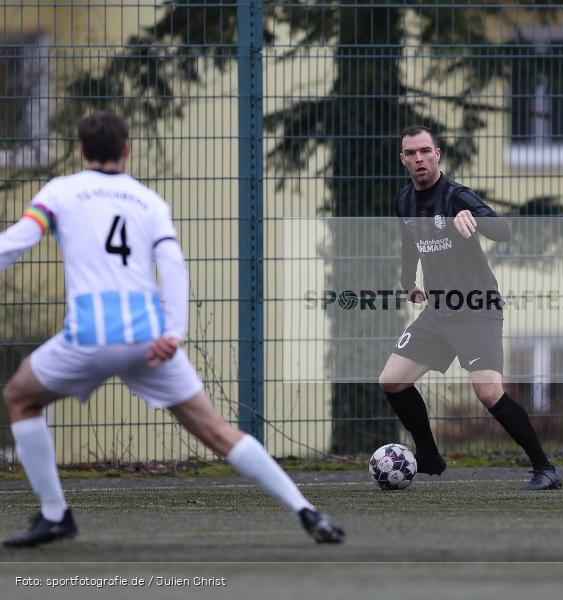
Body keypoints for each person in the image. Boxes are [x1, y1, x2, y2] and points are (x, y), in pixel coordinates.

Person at [1, 111, 343, 547]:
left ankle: (55, 515)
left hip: (88, 337)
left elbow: (16, 242)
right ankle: (306, 511)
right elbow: (173, 266)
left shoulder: (61, 192)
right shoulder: (150, 202)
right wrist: (174, 332)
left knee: (20, 397)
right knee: (219, 431)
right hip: (151, 340)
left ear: (81, 148)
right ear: (126, 149)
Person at [378, 125, 561, 490]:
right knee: (392, 381)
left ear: (437, 154)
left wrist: (475, 222)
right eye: (411, 153)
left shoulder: (457, 197)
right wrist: (406, 280)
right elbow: (409, 242)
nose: (419, 159)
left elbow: (503, 230)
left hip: (477, 307)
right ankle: (428, 454)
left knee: (488, 392)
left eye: (425, 151)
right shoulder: (404, 202)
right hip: (440, 310)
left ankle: (545, 468)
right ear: (403, 159)